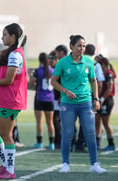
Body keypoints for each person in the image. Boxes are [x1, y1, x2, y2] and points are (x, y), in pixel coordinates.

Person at [51, 35, 106, 173]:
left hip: (86, 103)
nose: (82, 49)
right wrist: (65, 91)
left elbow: (93, 81)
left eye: (83, 46)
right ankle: (65, 164)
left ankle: (94, 164)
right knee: (68, 133)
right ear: (71, 46)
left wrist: (96, 99)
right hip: (67, 104)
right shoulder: (62, 62)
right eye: (79, 46)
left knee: (90, 133)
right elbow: (53, 81)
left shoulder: (88, 62)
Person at [0, 23, 27, 179]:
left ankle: (10, 170)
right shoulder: (9, 53)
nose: (2, 37)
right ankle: (6, 164)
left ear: (13, 37)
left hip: (10, 99)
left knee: (6, 134)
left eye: (5, 34)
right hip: (0, 99)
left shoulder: (15, 54)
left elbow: (8, 80)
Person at [30, 52, 55, 150]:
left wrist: (31, 75)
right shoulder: (53, 70)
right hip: (50, 99)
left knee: (39, 122)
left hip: (40, 98)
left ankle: (39, 143)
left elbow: (32, 83)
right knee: (50, 122)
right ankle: (52, 144)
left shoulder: (38, 71)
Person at [95, 56, 116, 151]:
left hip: (107, 100)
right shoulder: (103, 73)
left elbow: (109, 88)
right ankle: (97, 143)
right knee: (97, 121)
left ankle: (111, 143)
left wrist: (102, 98)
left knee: (105, 123)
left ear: (103, 65)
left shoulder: (109, 74)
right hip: (101, 100)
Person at [53, 45, 68, 149]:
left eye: (57, 53)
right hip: (59, 95)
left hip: (62, 96)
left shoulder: (64, 63)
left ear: (62, 52)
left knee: (61, 119)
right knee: (58, 119)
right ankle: (59, 141)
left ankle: (61, 142)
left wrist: (62, 94)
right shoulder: (63, 62)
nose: (56, 55)